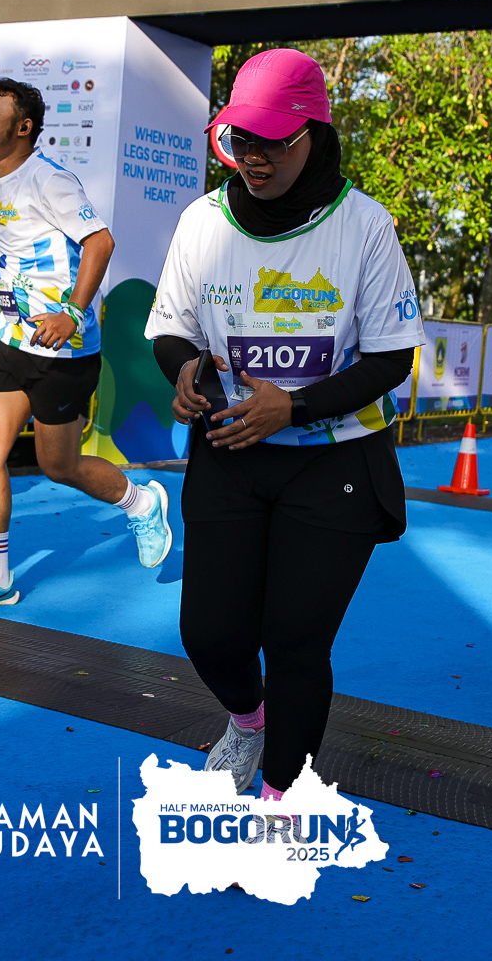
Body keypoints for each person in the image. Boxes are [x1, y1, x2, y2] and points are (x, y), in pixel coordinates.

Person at [147, 48, 423, 801]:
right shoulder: (202, 221)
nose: (254, 157)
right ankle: (248, 720)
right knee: (210, 635)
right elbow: (170, 330)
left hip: (335, 461)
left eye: (273, 140)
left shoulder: (364, 224)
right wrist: (187, 372)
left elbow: (391, 359)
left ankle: (281, 800)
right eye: (242, 139)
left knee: (296, 642)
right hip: (231, 451)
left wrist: (293, 407)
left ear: (314, 135)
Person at [0, 45, 173, 605]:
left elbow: (100, 243)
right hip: (11, 340)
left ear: (23, 128)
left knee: (58, 465)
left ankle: (141, 502)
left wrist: (72, 313)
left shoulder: (50, 181)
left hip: (63, 349)